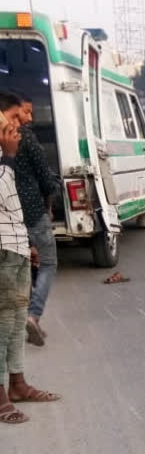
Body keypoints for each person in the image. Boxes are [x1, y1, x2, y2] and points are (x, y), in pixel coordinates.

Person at [0, 92, 60, 425]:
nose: (20, 122)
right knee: (2, 325)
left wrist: (26, 241)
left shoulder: (14, 142)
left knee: (14, 323)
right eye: (14, 115)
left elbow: (13, 209)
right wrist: (8, 158)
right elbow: (5, 196)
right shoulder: (6, 149)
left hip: (15, 243)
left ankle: (18, 384)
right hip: (3, 248)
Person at [13, 95, 59, 347]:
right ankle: (33, 315)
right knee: (48, 263)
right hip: (32, 211)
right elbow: (44, 175)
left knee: (20, 266)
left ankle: (22, 321)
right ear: (12, 110)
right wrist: (51, 195)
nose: (30, 118)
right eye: (26, 112)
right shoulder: (25, 136)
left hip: (8, 215)